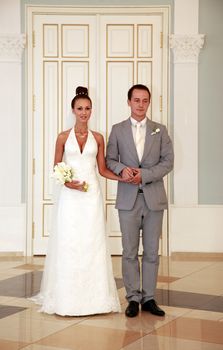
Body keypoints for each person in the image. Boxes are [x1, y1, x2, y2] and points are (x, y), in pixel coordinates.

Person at [30, 86, 127, 316]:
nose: (84, 112)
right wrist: (66, 182)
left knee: (92, 241)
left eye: (87, 108)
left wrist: (123, 176)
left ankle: (96, 298)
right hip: (71, 198)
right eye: (80, 108)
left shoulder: (98, 138)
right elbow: (56, 166)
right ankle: (66, 296)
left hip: (91, 196)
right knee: (69, 241)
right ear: (73, 110)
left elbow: (102, 169)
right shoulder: (63, 137)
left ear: (91, 111)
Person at [106, 84, 174, 317]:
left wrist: (143, 175)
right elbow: (110, 160)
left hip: (154, 199)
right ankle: (133, 298)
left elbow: (168, 162)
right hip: (128, 200)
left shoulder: (160, 130)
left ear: (149, 102)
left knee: (152, 252)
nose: (140, 104)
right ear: (129, 102)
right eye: (136, 100)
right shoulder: (117, 130)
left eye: (145, 100)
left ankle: (150, 298)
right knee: (129, 251)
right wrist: (123, 171)